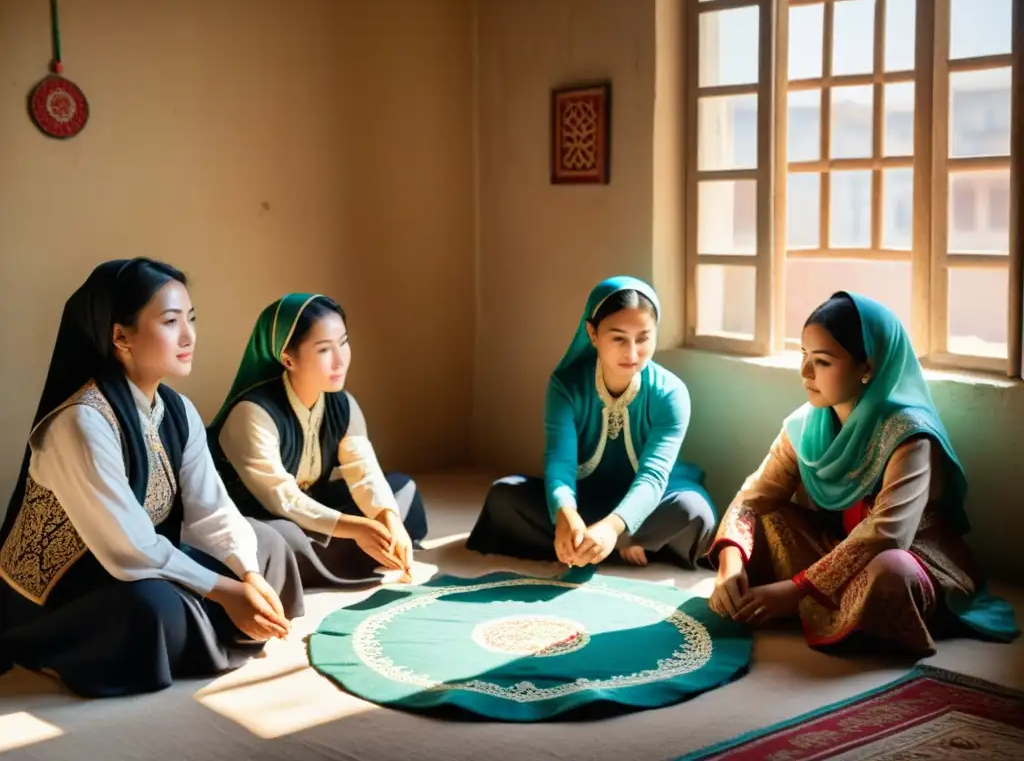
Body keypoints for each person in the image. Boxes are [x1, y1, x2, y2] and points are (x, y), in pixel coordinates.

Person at [0, 259, 303, 698]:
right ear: (120, 336)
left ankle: (214, 619)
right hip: (65, 591)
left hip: (134, 564)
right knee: (149, 610)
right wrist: (224, 590)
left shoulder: (177, 410)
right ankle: (71, 647)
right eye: (170, 321)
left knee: (267, 544)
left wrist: (247, 575)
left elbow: (211, 509)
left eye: (191, 319)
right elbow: (128, 547)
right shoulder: (80, 422)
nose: (189, 336)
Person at [707, 291, 1019, 656]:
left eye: (822, 361)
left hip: (910, 555)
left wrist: (796, 589)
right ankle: (816, 603)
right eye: (803, 355)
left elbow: (887, 535)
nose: (805, 372)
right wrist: (729, 565)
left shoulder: (909, 435)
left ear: (867, 368)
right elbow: (754, 496)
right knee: (763, 518)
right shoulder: (804, 427)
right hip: (838, 548)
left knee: (891, 573)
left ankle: (806, 603)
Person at [467, 276, 716, 568]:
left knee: (694, 511)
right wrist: (565, 513)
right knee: (504, 496)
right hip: (584, 499)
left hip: (650, 502)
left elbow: (653, 477)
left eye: (644, 338)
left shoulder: (671, 394)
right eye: (619, 338)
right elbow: (559, 464)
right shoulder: (566, 386)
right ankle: (612, 543)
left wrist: (614, 526)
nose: (633, 353)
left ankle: (603, 541)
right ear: (593, 333)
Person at [208, 293, 427, 586]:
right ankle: (349, 554)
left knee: (401, 490)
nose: (340, 360)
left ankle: (355, 551)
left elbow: (364, 473)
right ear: (287, 358)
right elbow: (281, 500)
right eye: (324, 350)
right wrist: (357, 529)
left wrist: (389, 519)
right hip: (260, 516)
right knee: (281, 540)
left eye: (344, 342)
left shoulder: (343, 404)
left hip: (311, 505)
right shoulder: (252, 413)